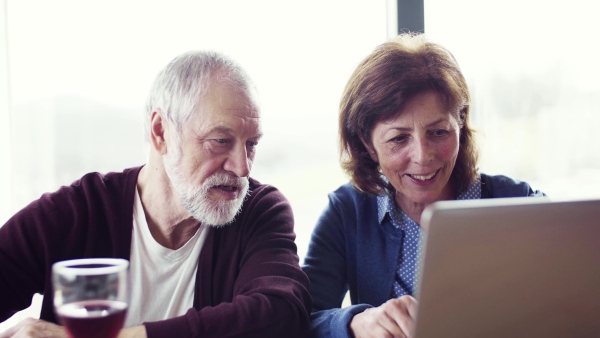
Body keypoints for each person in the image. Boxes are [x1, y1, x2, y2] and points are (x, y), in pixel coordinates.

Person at [0, 50, 312, 338]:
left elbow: (282, 314)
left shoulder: (258, 211)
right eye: (220, 140)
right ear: (160, 132)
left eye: (251, 144)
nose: (242, 168)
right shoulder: (79, 213)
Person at [302, 32, 545, 338]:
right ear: (367, 143)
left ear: (460, 123)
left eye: (439, 132)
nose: (422, 157)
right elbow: (302, 319)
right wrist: (355, 322)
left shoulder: (521, 203)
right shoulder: (347, 212)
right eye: (398, 139)